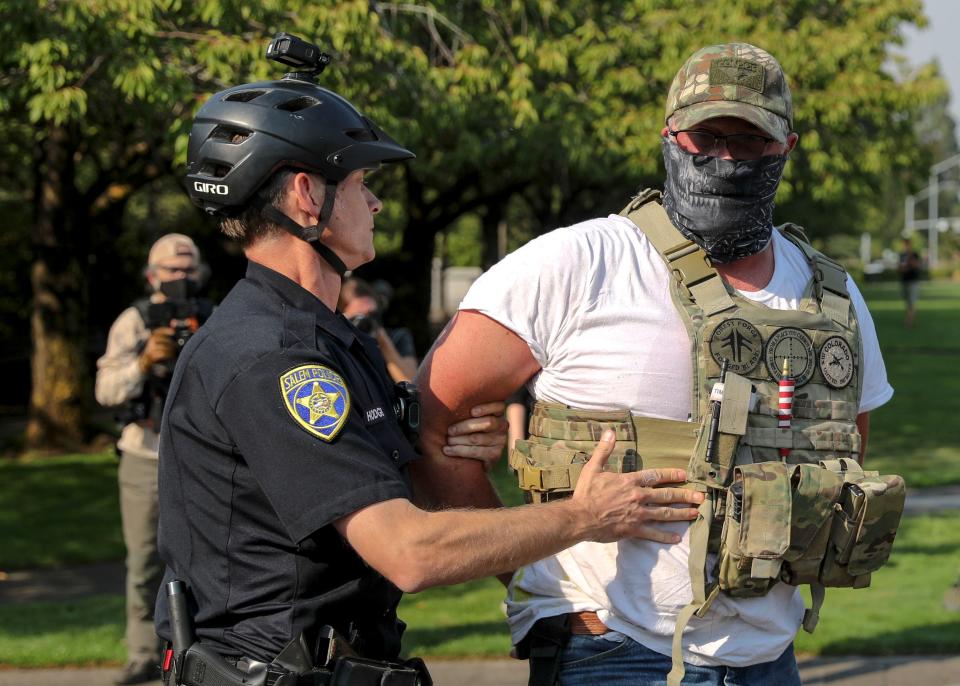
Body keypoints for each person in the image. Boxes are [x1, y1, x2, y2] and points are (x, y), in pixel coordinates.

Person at [154, 33, 702, 686]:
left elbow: (381, 479)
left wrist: (448, 444)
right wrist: (585, 517)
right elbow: (407, 552)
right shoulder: (272, 360)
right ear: (307, 195)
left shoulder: (326, 337)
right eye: (360, 185)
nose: (376, 204)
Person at [417, 43, 900, 686]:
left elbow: (842, 450)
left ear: (787, 147)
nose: (727, 157)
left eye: (750, 140)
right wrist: (527, 560)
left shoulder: (830, 297)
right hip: (610, 651)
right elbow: (428, 423)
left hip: (767, 660)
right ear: (671, 137)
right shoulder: (578, 263)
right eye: (708, 136)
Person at [95, 233, 211, 685]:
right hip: (145, 452)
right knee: (144, 558)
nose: (180, 277)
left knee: (203, 555)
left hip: (202, 457)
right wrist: (144, 361)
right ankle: (143, 653)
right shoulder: (135, 320)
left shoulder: (217, 316)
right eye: (171, 269)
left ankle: (198, 651)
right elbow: (105, 391)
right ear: (151, 275)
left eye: (188, 269)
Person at [339, 276, 417, 382]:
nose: (366, 322)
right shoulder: (336, 341)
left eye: (372, 315)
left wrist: (382, 340)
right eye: (358, 318)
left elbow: (409, 381)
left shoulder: (397, 337)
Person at [898, 236, 922, 327]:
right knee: (907, 302)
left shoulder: (914, 254)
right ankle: (911, 318)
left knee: (912, 301)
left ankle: (909, 320)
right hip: (904, 281)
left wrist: (909, 260)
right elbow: (900, 268)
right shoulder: (902, 255)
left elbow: (915, 265)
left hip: (913, 281)